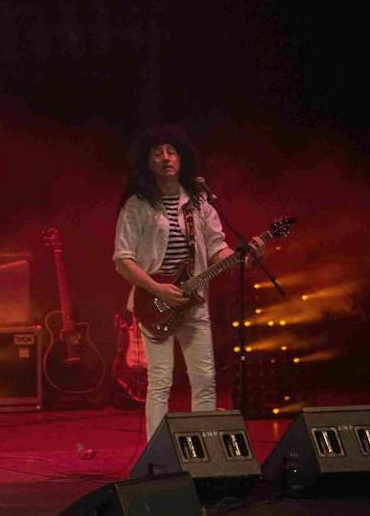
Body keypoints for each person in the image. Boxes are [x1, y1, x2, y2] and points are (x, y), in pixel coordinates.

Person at [113, 126, 265, 440]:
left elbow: (217, 248)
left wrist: (243, 257)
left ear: (182, 159)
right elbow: (122, 259)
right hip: (154, 303)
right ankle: (157, 454)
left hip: (194, 301)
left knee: (205, 379)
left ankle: (205, 452)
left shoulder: (200, 204)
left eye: (171, 152)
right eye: (158, 153)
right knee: (160, 382)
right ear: (148, 162)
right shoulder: (138, 205)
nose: (165, 157)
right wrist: (157, 289)